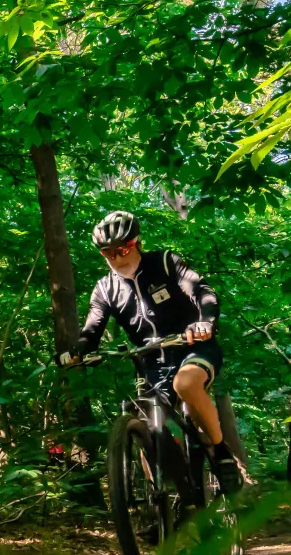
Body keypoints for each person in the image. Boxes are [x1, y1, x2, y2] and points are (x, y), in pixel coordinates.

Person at [59, 211, 246, 496]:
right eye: (106, 252)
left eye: (121, 249)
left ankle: (221, 452)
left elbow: (202, 290)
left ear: (136, 243)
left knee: (185, 384)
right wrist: (78, 351)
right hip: (151, 361)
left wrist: (206, 320)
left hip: (192, 345)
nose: (115, 258)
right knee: (145, 421)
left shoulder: (165, 263)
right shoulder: (105, 289)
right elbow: (93, 328)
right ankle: (163, 500)